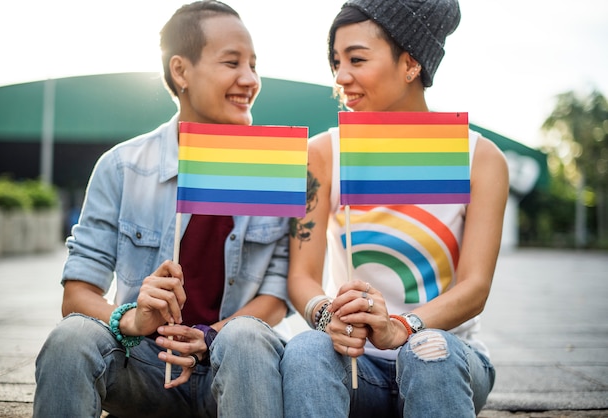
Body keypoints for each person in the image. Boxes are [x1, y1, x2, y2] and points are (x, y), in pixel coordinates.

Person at [33, 2, 290, 417]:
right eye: (232, 63)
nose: (250, 79)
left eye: (254, 65)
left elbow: (277, 294)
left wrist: (210, 336)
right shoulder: (122, 166)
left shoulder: (271, 167)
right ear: (181, 71)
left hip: (231, 366)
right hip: (143, 365)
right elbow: (77, 294)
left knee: (247, 338)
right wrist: (134, 320)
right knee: (71, 338)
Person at [282, 0, 509, 417]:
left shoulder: (479, 157)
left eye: (357, 59)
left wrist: (402, 328)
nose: (340, 77)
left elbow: (475, 288)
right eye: (336, 61)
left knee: (429, 352)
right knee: (305, 350)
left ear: (410, 63)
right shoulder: (323, 153)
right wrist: (326, 315)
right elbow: (301, 276)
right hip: (354, 364)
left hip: (445, 359)